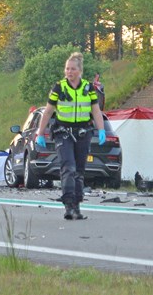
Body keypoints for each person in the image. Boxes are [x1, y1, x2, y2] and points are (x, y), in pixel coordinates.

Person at [35, 52, 105, 221]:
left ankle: (77, 206)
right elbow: (48, 111)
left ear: (80, 71)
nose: (69, 72)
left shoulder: (89, 88)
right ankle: (68, 205)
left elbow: (96, 111)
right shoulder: (59, 87)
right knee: (68, 167)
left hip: (83, 133)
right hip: (63, 133)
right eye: (67, 69)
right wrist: (40, 133)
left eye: (73, 69)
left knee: (79, 170)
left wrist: (101, 130)